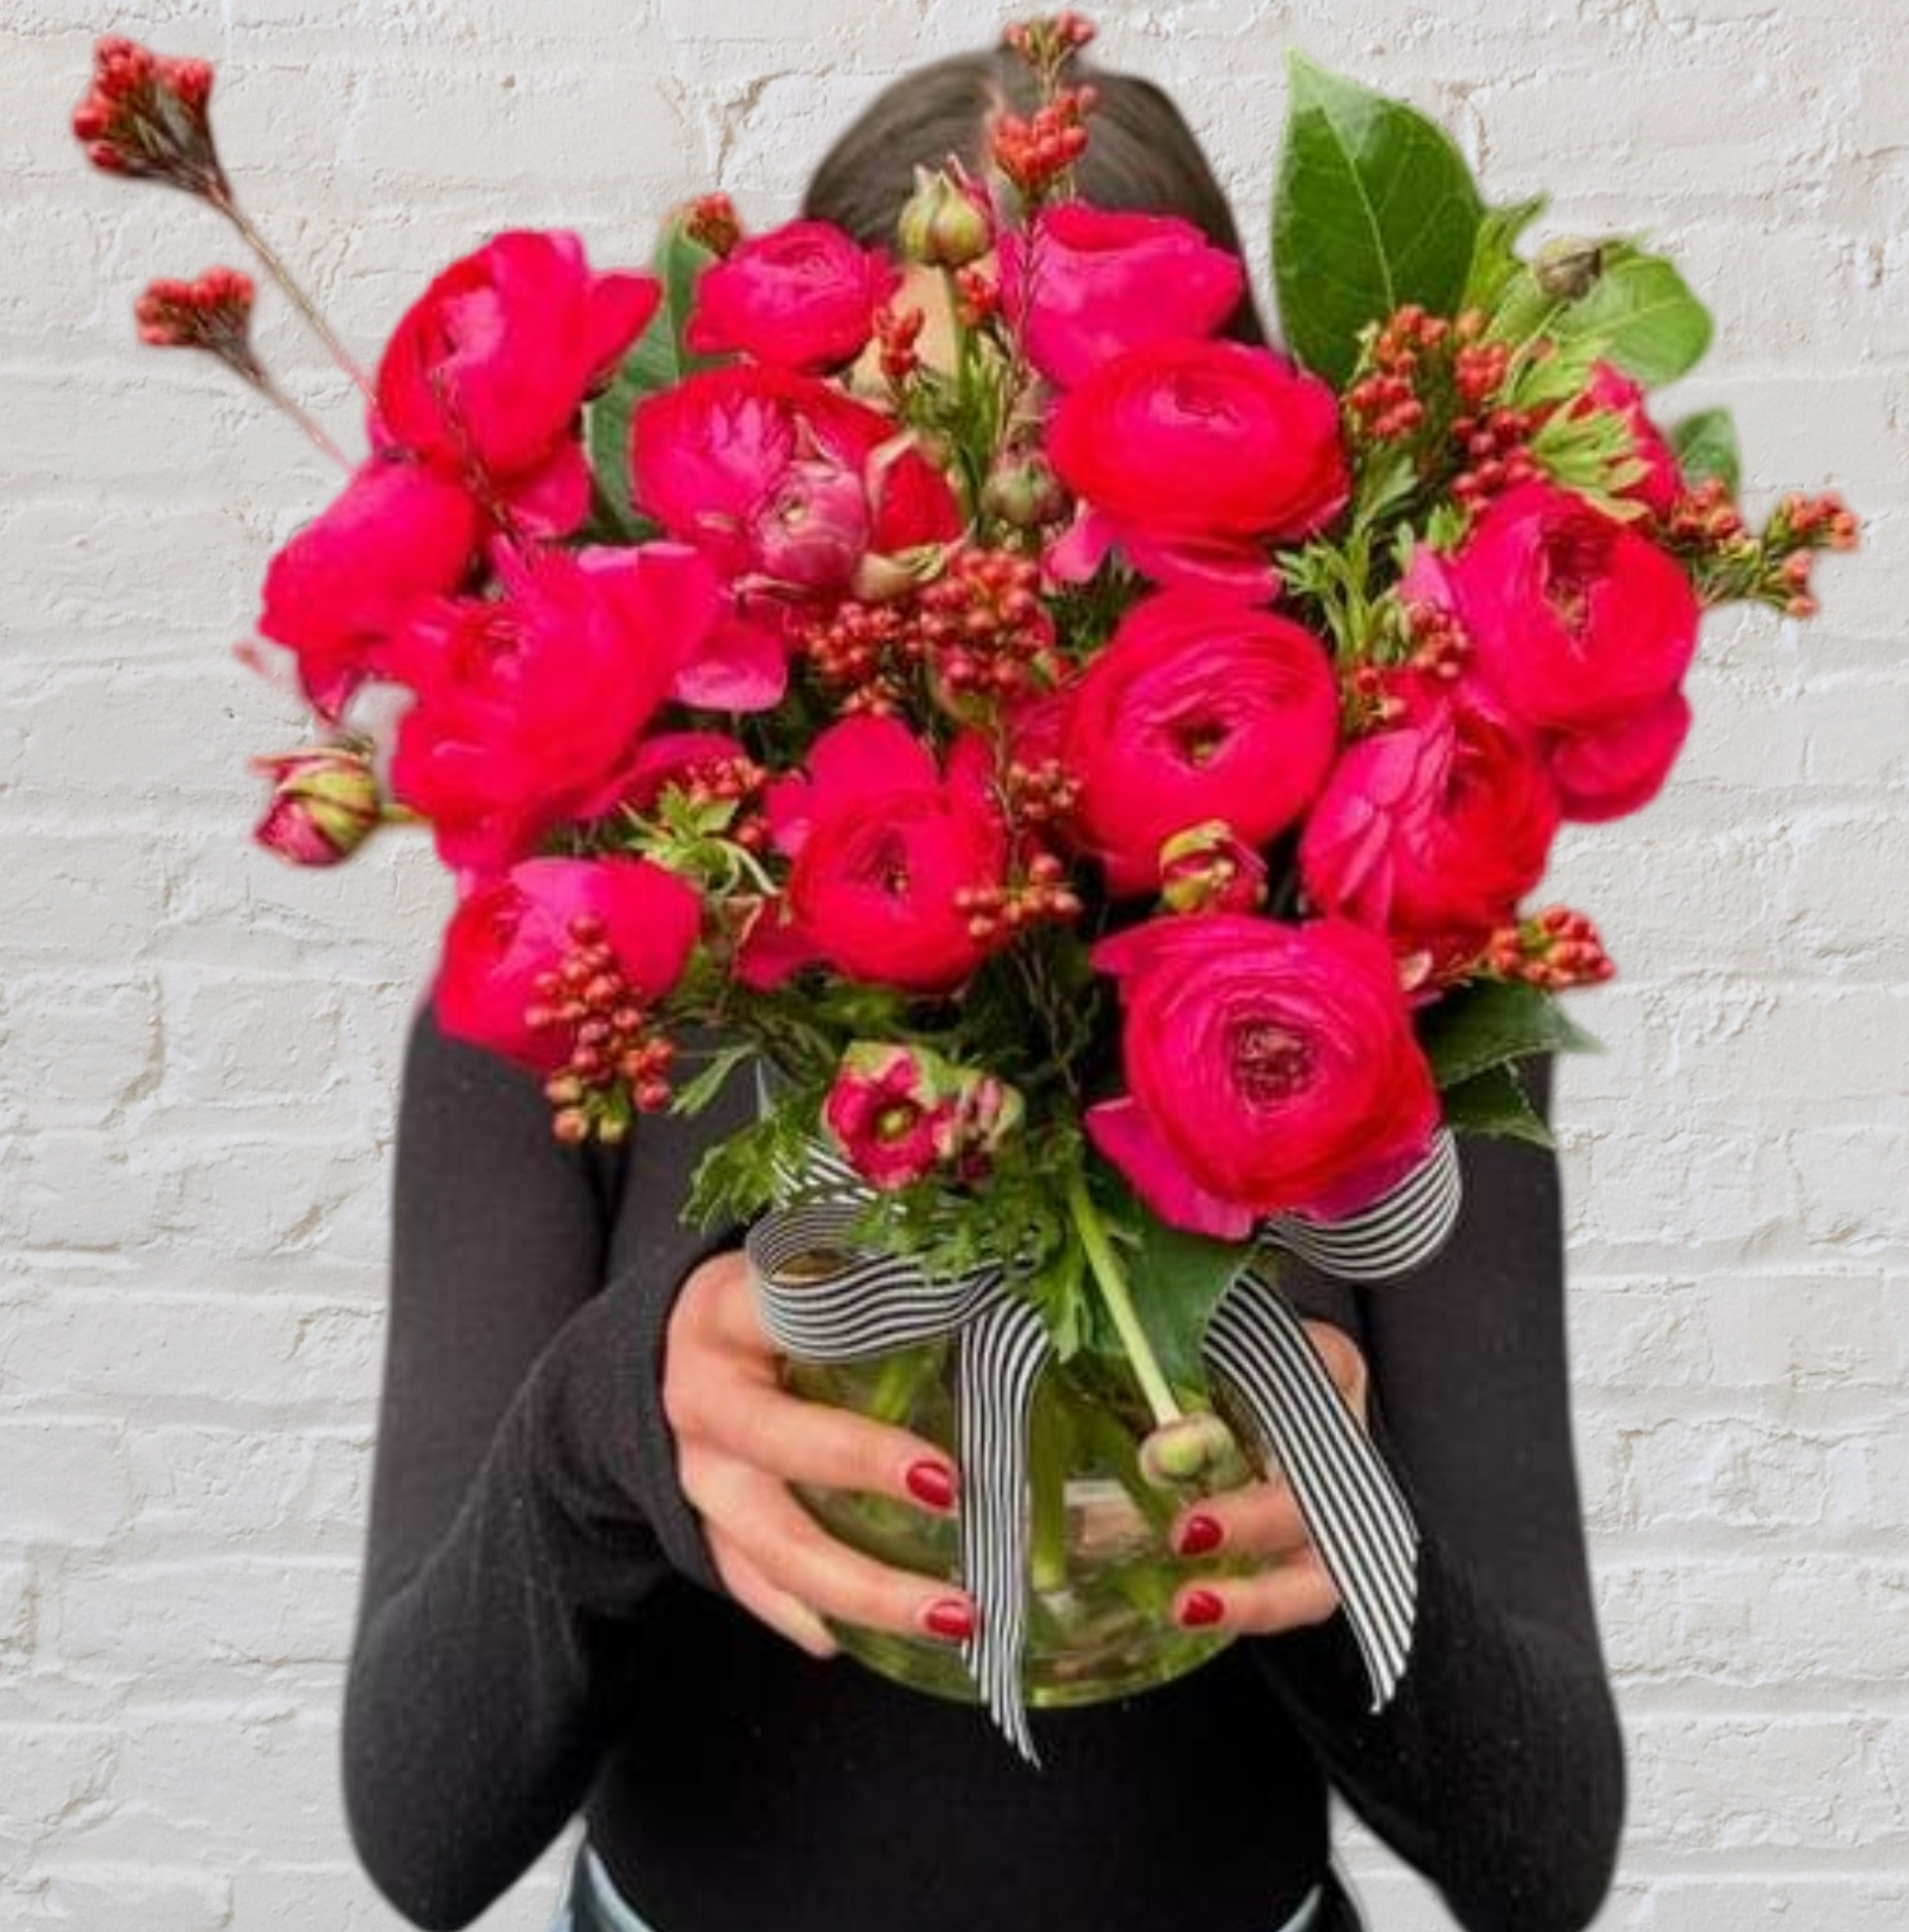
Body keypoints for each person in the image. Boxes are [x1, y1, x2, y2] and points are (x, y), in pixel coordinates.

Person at [339, 39, 1628, 1932]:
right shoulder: (582, 976)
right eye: (909, 455)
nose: (992, 555)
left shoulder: (1378, 1001)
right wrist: (624, 1422)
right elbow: (420, 1830)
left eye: (1062, 484)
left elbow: (1544, 1858)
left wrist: (1316, 1527)